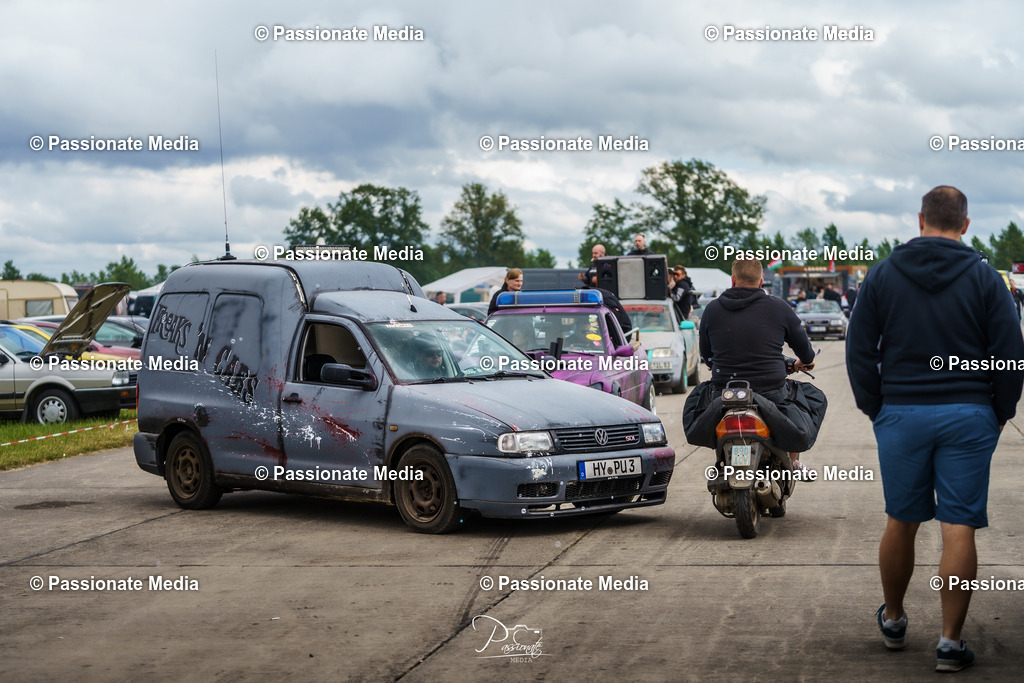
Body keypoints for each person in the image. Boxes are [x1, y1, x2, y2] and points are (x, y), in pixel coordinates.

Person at [846, 186, 1024, 672]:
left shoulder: (881, 275)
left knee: (901, 519)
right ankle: (949, 642)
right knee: (959, 525)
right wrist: (998, 411)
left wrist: (875, 407)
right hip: (969, 413)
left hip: (901, 413)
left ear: (920, 218)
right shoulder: (988, 279)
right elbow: (1012, 352)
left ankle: (897, 620)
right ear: (965, 225)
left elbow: (859, 349)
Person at [686, 258, 824, 472]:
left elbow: (707, 355)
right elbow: (805, 351)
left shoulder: (712, 310)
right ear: (761, 282)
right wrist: (804, 362)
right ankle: (794, 462)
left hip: (724, 392)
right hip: (771, 391)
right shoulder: (779, 306)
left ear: (732, 280)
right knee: (811, 399)